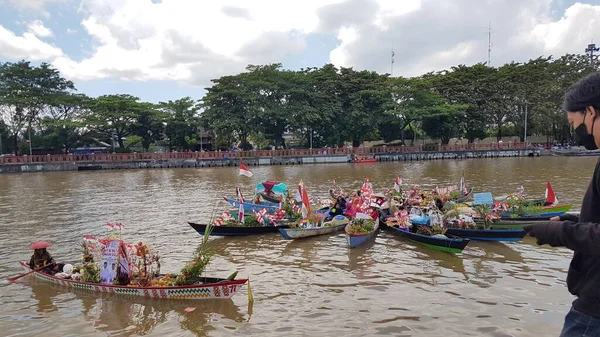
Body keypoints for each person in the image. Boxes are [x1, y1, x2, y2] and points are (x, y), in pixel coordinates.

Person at [523, 72, 600, 337]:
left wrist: (561, 233)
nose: (575, 132)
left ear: (590, 112)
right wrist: (575, 222)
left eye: (573, 123)